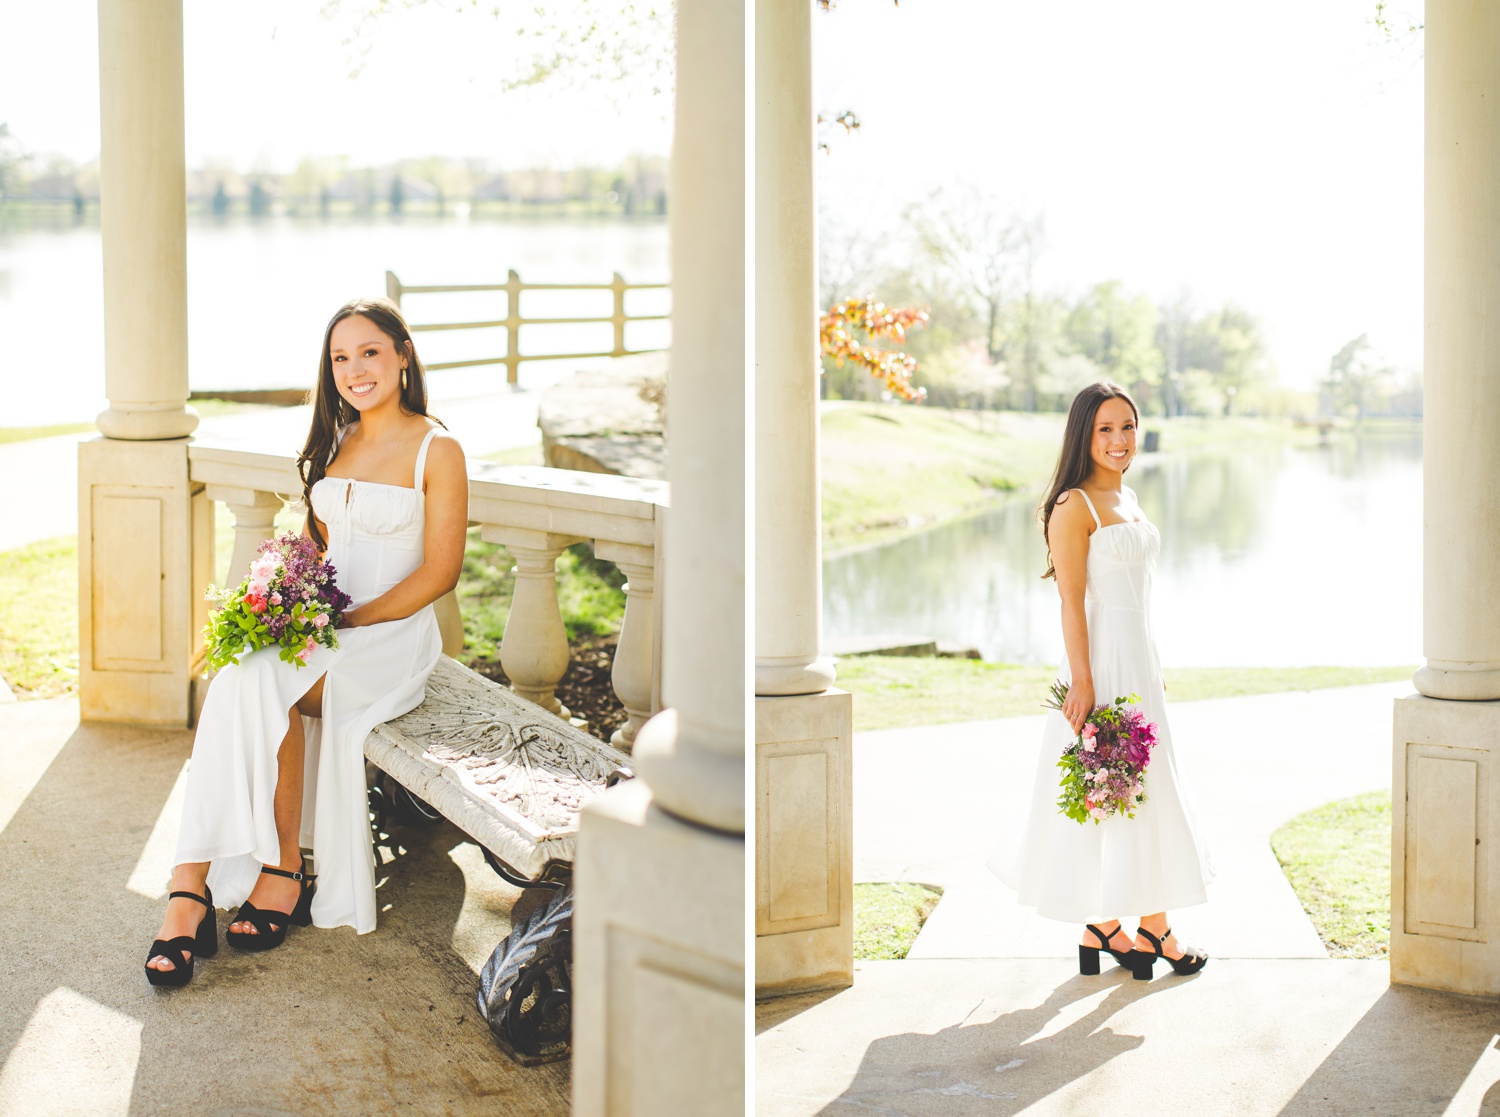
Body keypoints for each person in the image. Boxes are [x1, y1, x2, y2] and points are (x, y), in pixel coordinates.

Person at [145, 297, 468, 987]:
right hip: (329, 629)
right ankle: (213, 877)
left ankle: (218, 885)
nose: (355, 369)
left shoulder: (437, 448)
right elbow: (321, 548)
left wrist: (353, 619)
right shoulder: (339, 438)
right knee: (239, 673)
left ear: (404, 355)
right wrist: (284, 599)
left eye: (370, 351)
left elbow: (442, 570)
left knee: (254, 680)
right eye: (340, 357)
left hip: (391, 636)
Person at [988, 382, 1213, 980]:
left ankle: (1116, 928)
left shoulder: (1130, 497)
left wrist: (1156, 668)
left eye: (1128, 427)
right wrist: (1084, 684)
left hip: (1140, 662)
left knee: (1148, 790)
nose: (1119, 441)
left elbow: (1140, 598)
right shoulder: (1073, 506)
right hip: (1103, 666)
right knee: (1115, 794)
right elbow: (1070, 602)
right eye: (1105, 430)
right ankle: (1141, 929)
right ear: (1084, 436)